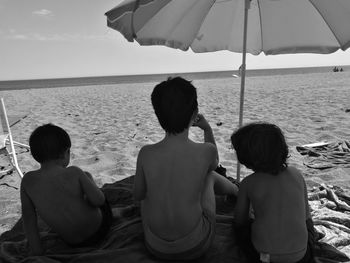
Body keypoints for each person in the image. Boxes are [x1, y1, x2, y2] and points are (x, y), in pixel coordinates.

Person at [134, 77, 238, 260]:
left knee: (147, 194)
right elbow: (213, 165)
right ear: (195, 114)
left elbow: (138, 195)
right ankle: (237, 191)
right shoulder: (206, 151)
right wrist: (207, 130)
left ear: (159, 117)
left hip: (155, 246)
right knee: (209, 176)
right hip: (196, 244)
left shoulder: (146, 153)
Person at [20, 124, 112, 255]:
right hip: (99, 230)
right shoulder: (75, 172)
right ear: (65, 153)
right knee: (88, 176)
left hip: (73, 242)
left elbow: (29, 219)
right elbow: (99, 201)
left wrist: (37, 251)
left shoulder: (27, 181)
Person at [231, 123, 314, 263]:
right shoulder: (296, 174)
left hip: (265, 257)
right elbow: (306, 217)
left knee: (240, 232)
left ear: (246, 159)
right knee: (309, 231)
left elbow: (239, 221)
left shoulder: (248, 183)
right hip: (301, 256)